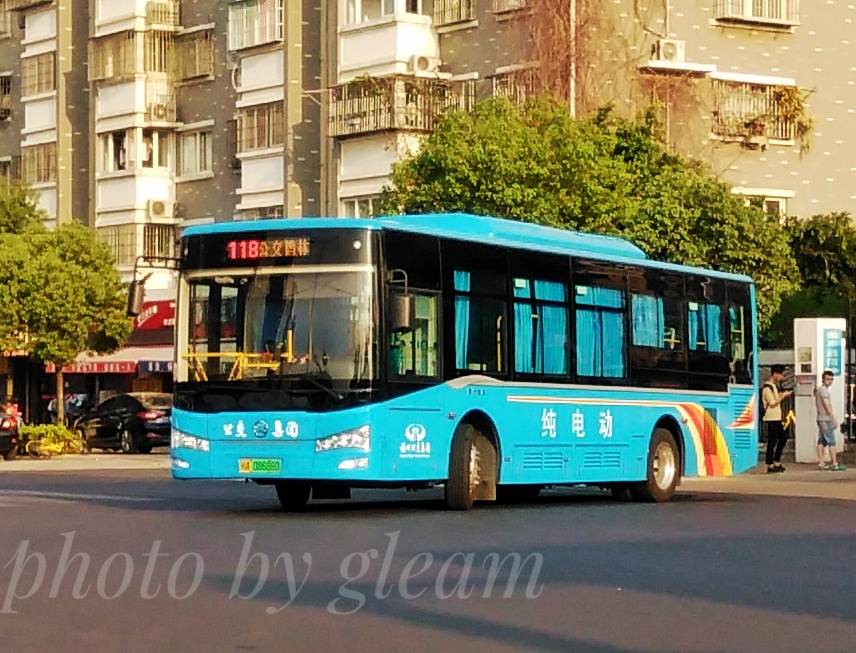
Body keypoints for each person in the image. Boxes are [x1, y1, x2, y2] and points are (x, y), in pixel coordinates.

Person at [762, 364, 792, 473]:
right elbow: (772, 403)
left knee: (783, 438)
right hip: (771, 418)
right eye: (781, 375)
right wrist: (783, 396)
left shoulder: (773, 386)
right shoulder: (767, 388)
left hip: (777, 417)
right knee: (772, 441)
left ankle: (776, 461)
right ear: (775, 374)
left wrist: (781, 396)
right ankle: (770, 464)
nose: (782, 377)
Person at [814, 370, 846, 471]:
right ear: (823, 380)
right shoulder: (824, 390)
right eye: (827, 379)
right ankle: (834, 463)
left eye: (831, 379)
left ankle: (821, 463)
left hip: (820, 419)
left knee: (821, 441)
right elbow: (827, 405)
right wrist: (833, 418)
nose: (830, 381)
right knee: (831, 441)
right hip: (826, 419)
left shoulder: (819, 390)